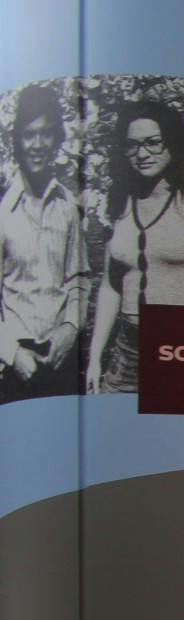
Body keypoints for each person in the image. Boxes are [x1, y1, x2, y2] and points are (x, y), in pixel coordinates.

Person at [86, 99, 184, 394]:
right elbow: (111, 287)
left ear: (172, 143)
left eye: (153, 143)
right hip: (128, 355)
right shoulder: (121, 202)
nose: (142, 154)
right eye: (132, 145)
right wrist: (95, 358)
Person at [0, 83, 85, 404]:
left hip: (61, 354)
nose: (37, 144)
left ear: (58, 140)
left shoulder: (68, 207)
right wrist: (13, 353)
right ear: (17, 141)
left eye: (47, 133)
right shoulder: (2, 210)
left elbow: (78, 279)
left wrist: (71, 327)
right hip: (13, 361)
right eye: (29, 134)